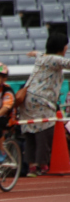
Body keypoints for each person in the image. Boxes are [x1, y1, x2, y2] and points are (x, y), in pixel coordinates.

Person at [20, 34, 70, 176]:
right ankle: (42, 165)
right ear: (62, 47)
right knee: (44, 132)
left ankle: (31, 166)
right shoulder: (55, 59)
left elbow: (38, 53)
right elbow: (68, 63)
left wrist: (33, 53)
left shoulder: (42, 57)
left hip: (27, 97)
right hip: (42, 100)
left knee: (30, 131)